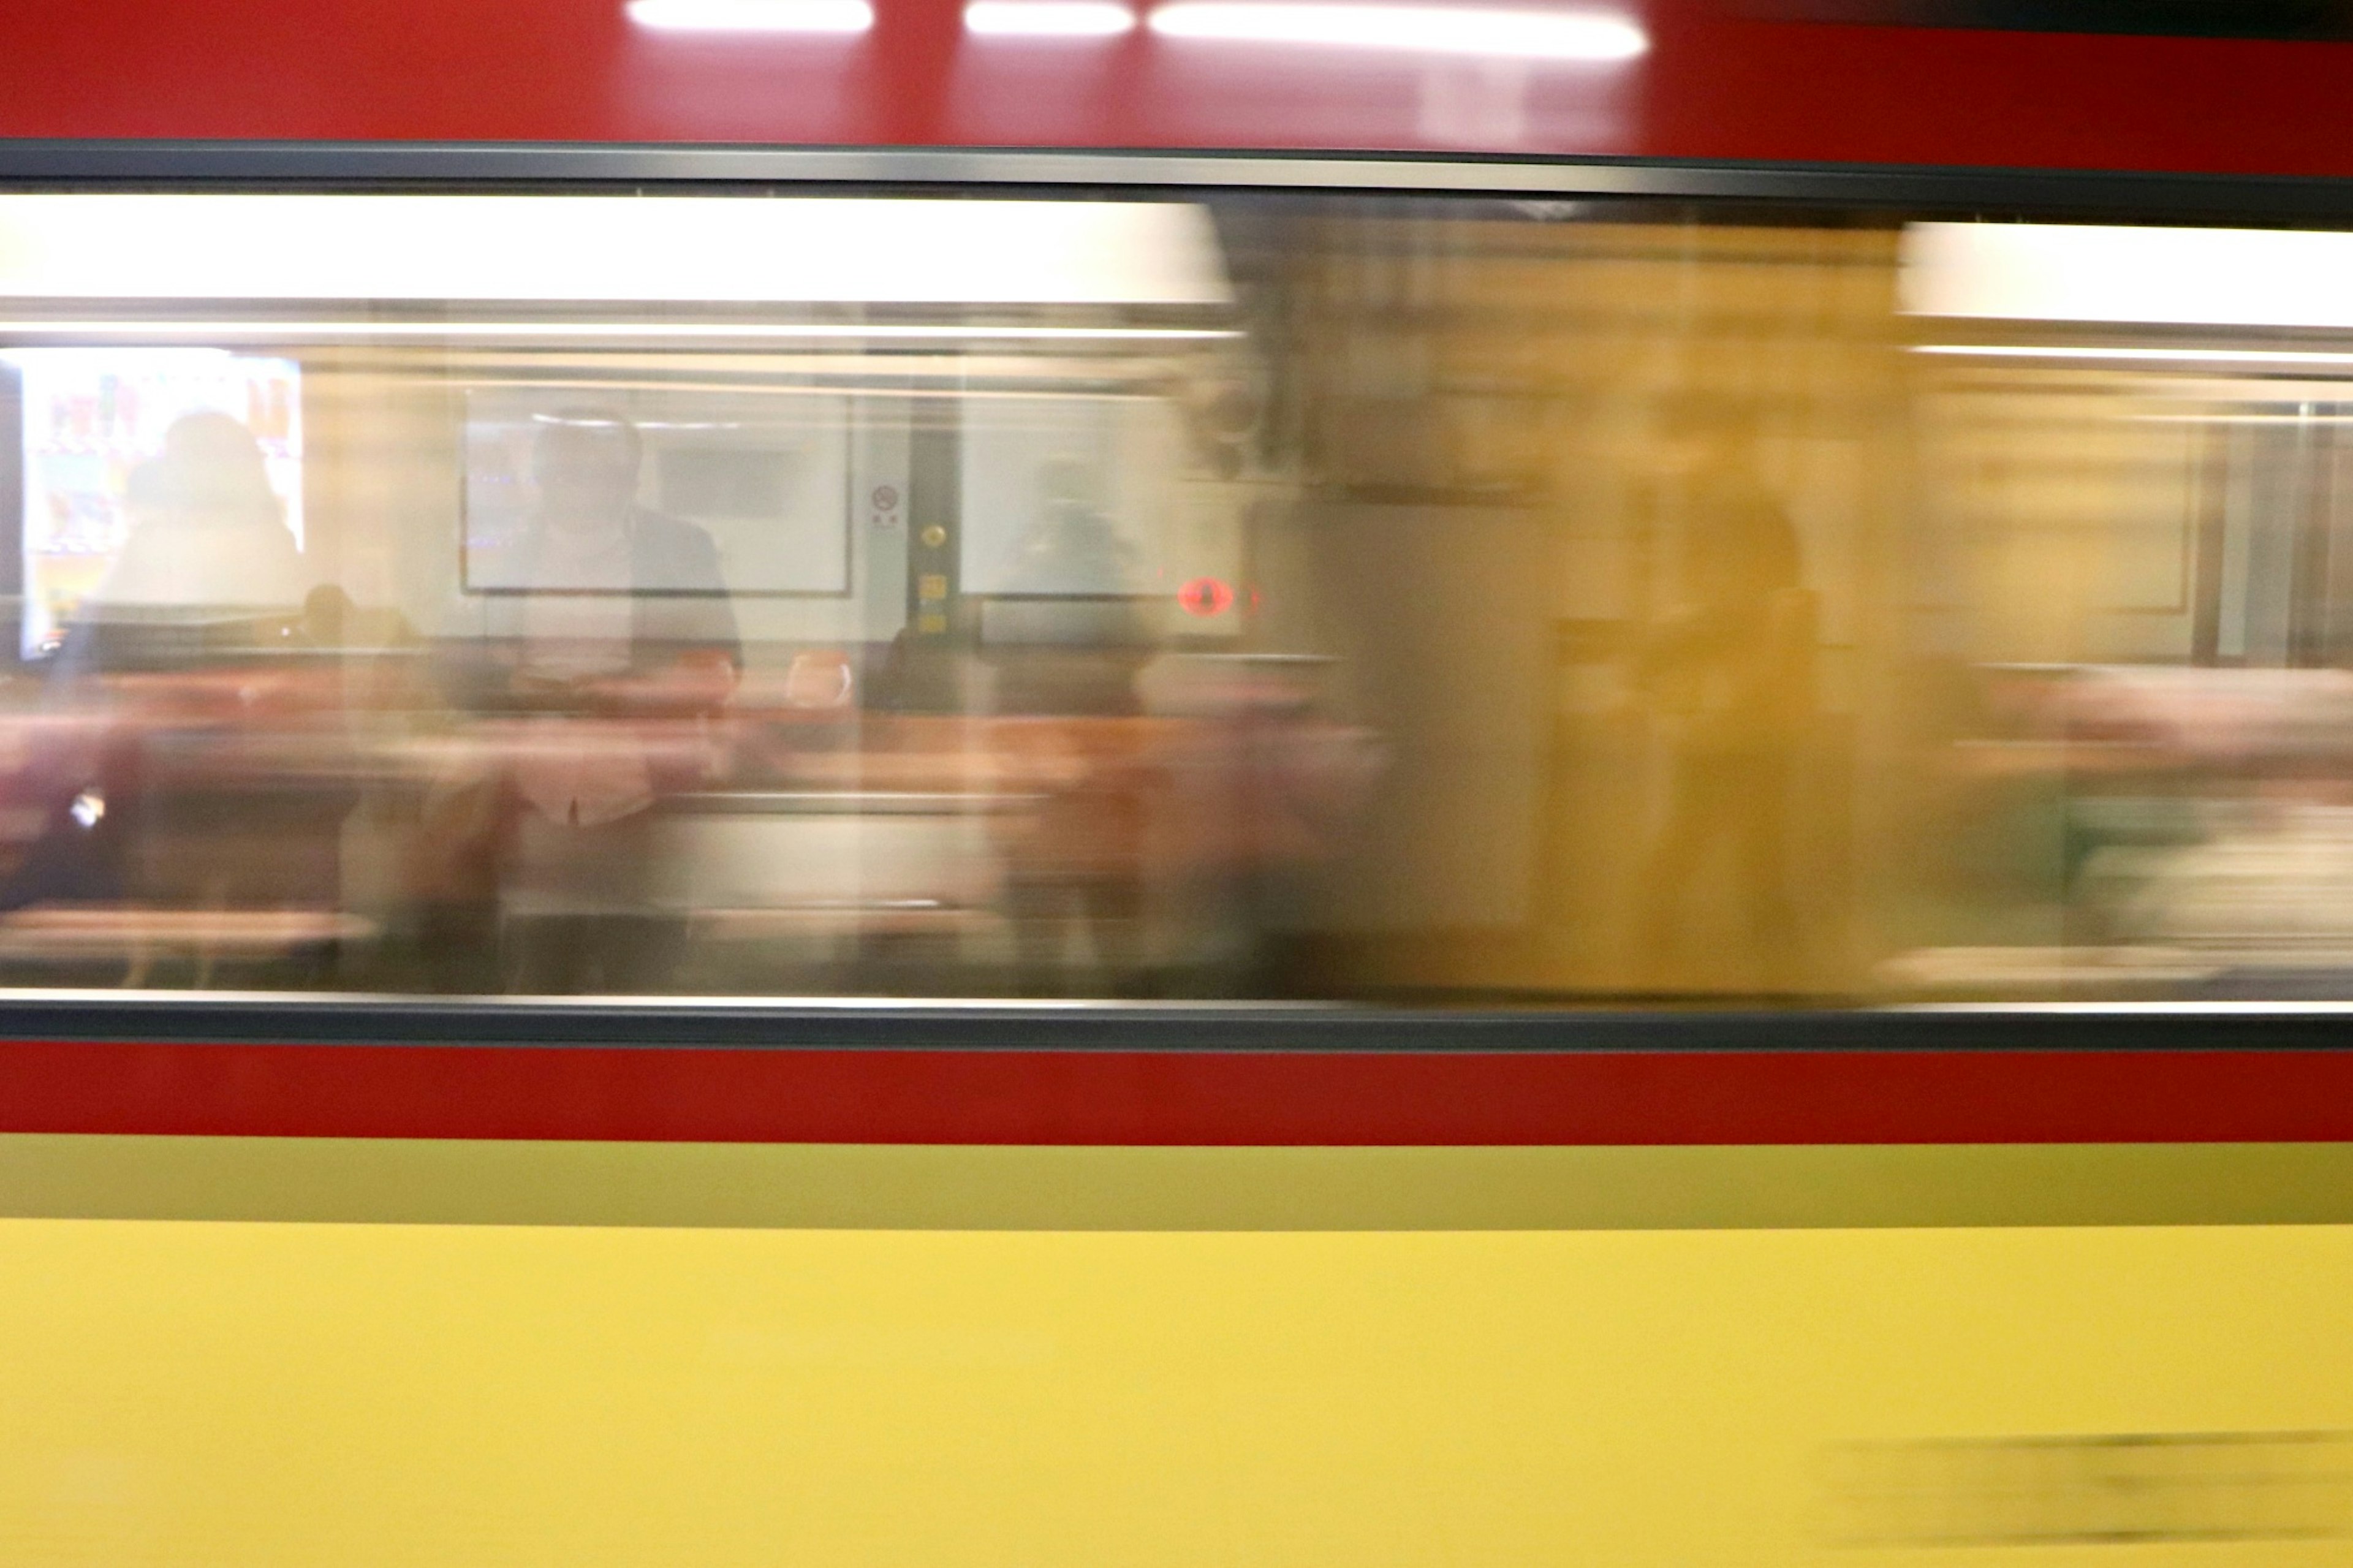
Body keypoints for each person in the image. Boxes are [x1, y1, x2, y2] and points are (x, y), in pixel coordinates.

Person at [431, 409, 740, 993]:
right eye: (571, 472)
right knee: (542, 987)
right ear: (545, 480)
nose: (587, 486)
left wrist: (631, 693)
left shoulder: (681, 548)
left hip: (642, 801)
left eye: (605, 472)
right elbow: (454, 673)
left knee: (645, 984)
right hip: (532, 804)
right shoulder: (500, 555)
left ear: (630, 478)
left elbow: (723, 661)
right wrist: (514, 689)